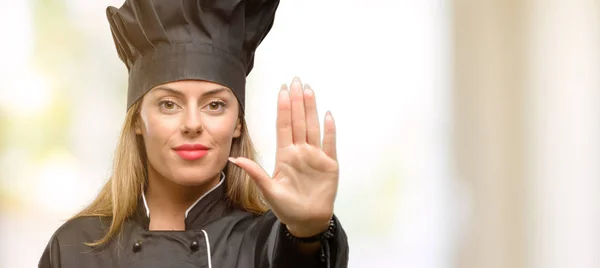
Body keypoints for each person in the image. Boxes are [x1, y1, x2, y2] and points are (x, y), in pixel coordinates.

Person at [38, 0, 349, 267]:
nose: (192, 124)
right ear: (136, 120)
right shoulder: (74, 248)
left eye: (214, 105)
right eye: (169, 104)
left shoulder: (271, 243)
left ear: (237, 123)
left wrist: (308, 233)